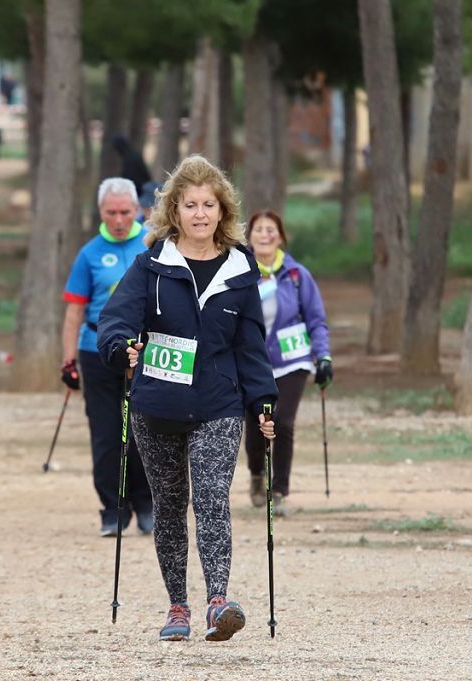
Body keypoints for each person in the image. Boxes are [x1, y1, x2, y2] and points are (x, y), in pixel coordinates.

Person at [97, 155, 278, 643]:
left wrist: (264, 402)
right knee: (171, 506)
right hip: (157, 408)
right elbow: (114, 320)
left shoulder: (240, 268)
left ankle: (218, 603)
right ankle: (178, 607)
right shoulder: (152, 264)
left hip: (218, 405)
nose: (200, 214)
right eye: (190, 205)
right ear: (173, 211)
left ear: (222, 212)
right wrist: (121, 347)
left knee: (213, 498)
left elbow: (251, 345)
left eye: (209, 205)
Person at [62, 177, 154, 537]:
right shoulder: (89, 253)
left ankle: (146, 502)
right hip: (95, 350)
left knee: (143, 430)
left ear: (138, 211)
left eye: (125, 212)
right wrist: (68, 361)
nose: (118, 219)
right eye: (111, 212)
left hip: (143, 351)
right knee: (106, 432)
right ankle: (113, 510)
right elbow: (73, 310)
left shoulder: (151, 245)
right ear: (101, 212)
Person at [244, 209, 333, 517]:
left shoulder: (296, 276)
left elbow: (316, 320)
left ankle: (279, 489)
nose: (265, 234)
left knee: (282, 423)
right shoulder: (241, 273)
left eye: (272, 229)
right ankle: (257, 475)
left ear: (280, 236)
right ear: (250, 236)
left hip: (292, 360)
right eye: (259, 229)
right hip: (253, 362)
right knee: (257, 424)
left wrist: (323, 356)